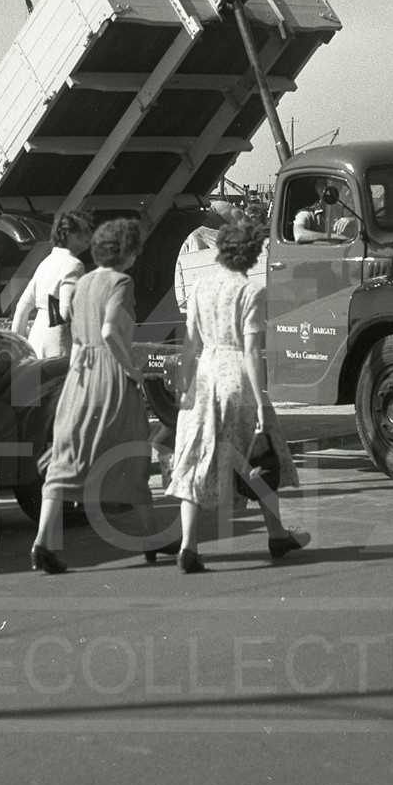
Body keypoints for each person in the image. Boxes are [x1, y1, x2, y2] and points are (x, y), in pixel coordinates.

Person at [30, 218, 176, 573]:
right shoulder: (120, 282)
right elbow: (111, 330)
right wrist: (132, 370)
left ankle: (43, 543)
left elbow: (78, 335)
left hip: (79, 376)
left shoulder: (84, 283)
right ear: (127, 252)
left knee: (67, 457)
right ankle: (151, 537)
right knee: (131, 455)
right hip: (110, 375)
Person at [165, 211, 308, 572]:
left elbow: (190, 344)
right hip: (235, 380)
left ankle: (188, 546)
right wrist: (261, 402)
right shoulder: (250, 291)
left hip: (204, 376)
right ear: (251, 254)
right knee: (260, 461)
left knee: (195, 461)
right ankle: (276, 534)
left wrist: (183, 387)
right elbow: (248, 352)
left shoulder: (200, 287)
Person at [11, 211, 91, 362]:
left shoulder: (46, 263)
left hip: (35, 341)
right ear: (68, 234)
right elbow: (66, 313)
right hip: (58, 345)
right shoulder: (74, 265)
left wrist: (18, 346)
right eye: (84, 232)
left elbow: (22, 307)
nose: (89, 237)